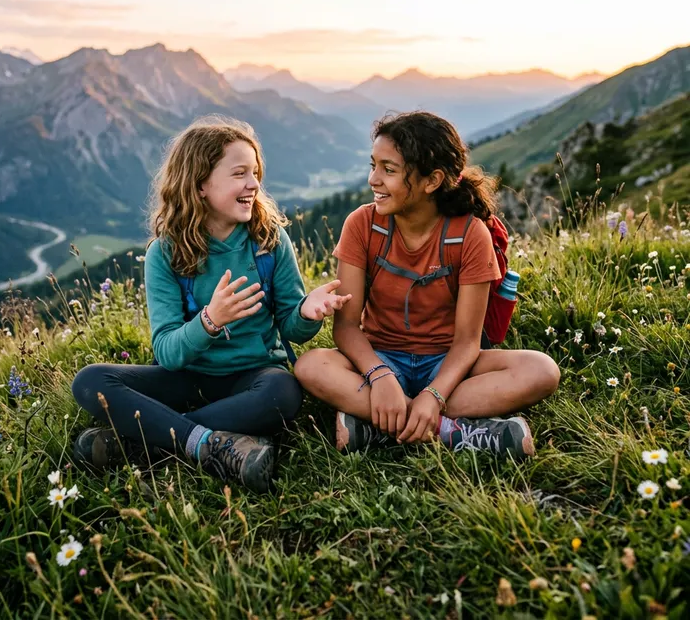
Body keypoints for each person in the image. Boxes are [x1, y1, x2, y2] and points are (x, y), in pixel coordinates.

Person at [71, 117, 351, 492]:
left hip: (253, 377)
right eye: (239, 174)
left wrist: (305, 312)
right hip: (188, 377)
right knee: (91, 381)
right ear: (201, 184)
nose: (253, 184)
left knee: (283, 392)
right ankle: (211, 443)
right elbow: (168, 353)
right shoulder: (165, 254)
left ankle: (146, 442)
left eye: (255, 173)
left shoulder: (269, 240)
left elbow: (290, 328)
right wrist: (209, 320)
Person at [294, 111, 560, 457]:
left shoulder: (469, 234)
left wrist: (434, 395)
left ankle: (383, 425)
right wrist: (380, 376)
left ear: (431, 181)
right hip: (381, 356)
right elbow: (345, 328)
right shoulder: (361, 224)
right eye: (373, 165)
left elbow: (467, 343)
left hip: (448, 364)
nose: (374, 179)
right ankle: (454, 431)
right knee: (311, 366)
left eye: (389, 170)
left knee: (542, 371)